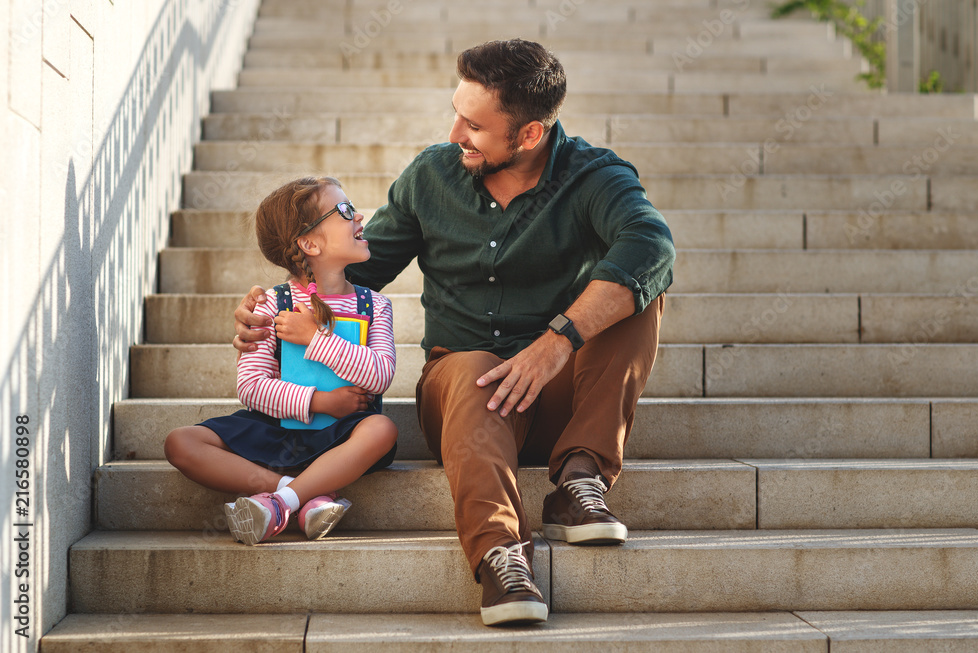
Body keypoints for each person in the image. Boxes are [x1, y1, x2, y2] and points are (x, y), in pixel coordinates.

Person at [233, 39, 674, 625]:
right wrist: (273, 307)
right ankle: (501, 556)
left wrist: (556, 342)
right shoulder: (433, 176)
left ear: (529, 135)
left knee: (639, 290)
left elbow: (652, 244)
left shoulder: (593, 176)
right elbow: (352, 268)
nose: (454, 134)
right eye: (456, 113)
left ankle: (579, 482)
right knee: (467, 365)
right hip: (465, 395)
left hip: (561, 396)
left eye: (474, 125)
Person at [166, 176, 398, 546]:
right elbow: (252, 388)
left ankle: (277, 504)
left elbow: (380, 375)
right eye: (345, 211)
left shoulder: (375, 305)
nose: (360, 218)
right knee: (181, 442)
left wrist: (314, 339)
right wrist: (319, 401)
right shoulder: (272, 304)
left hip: (341, 435)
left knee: (382, 430)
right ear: (309, 243)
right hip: (277, 431)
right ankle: (300, 494)